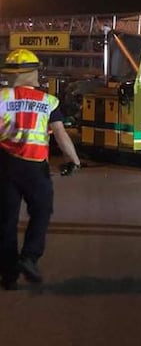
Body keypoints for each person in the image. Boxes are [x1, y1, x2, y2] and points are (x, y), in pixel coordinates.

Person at [0, 49, 81, 290]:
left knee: (6, 220)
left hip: (4, 165)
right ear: (34, 73)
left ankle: (9, 275)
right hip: (35, 168)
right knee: (41, 212)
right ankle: (29, 257)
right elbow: (60, 134)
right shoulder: (48, 102)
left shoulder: (1, 98)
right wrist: (74, 160)